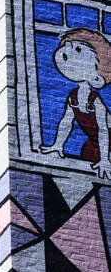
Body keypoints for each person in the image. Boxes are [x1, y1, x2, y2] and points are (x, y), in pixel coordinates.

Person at [40, 28, 111, 179]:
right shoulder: (73, 97)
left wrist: (105, 159)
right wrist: (57, 145)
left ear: (97, 79)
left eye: (78, 49)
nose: (68, 49)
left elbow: (103, 130)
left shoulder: (95, 101)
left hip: (105, 144)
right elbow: (66, 121)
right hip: (94, 144)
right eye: (68, 45)